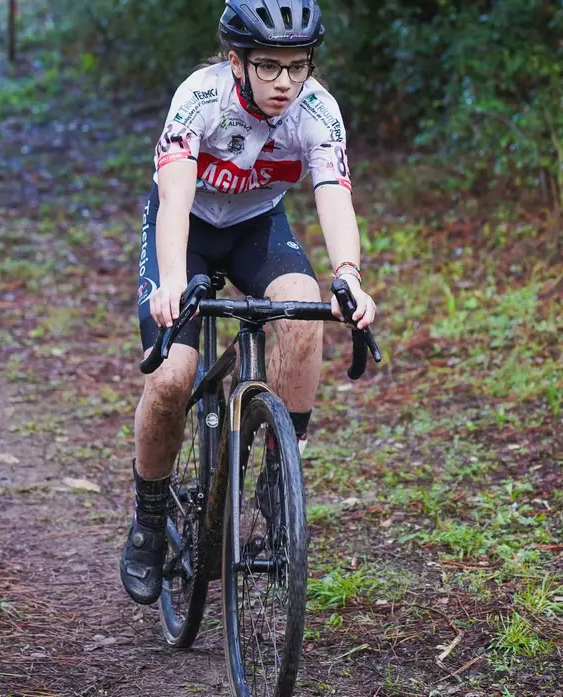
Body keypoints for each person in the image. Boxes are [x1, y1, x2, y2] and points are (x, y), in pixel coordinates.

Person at [121, 0, 377, 606]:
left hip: (257, 227)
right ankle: (149, 520)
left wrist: (349, 276)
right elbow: (175, 197)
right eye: (268, 66)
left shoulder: (317, 111)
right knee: (173, 377)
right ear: (236, 63)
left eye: (297, 66)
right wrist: (171, 281)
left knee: (303, 304)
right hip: (188, 229)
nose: (285, 81)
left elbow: (334, 195)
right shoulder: (200, 97)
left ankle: (275, 482)